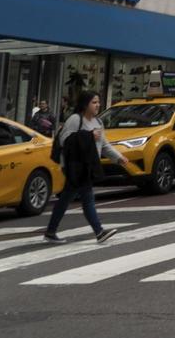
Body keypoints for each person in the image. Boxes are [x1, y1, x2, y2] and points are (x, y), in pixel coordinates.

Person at [45, 91, 129, 244]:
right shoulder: (75, 119)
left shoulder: (98, 122)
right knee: (87, 197)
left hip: (88, 165)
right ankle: (99, 231)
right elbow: (65, 141)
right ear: (85, 104)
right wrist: (88, 136)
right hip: (74, 165)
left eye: (98, 102)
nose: (97, 105)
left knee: (66, 198)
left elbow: (103, 145)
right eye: (94, 102)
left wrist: (118, 158)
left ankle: (51, 231)